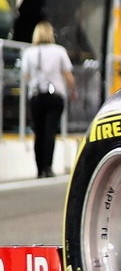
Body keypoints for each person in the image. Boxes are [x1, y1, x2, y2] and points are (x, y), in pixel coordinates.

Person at [21, 22, 75, 180]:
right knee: (50, 131)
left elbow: (25, 75)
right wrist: (73, 89)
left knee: (39, 132)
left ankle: (39, 169)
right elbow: (67, 74)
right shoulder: (59, 51)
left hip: (36, 96)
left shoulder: (28, 52)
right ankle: (48, 167)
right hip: (55, 96)